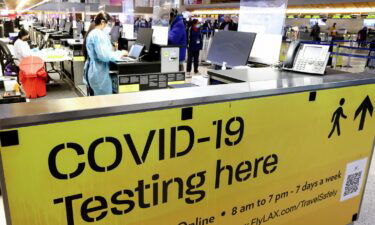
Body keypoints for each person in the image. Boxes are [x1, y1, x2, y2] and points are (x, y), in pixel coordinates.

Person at [83, 12, 127, 96]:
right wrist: (120, 54)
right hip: (99, 74)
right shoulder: (98, 34)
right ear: (103, 22)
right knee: (104, 103)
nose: (110, 27)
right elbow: (104, 55)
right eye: (109, 24)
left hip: (94, 71)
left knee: (97, 101)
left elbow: (103, 52)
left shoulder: (93, 33)